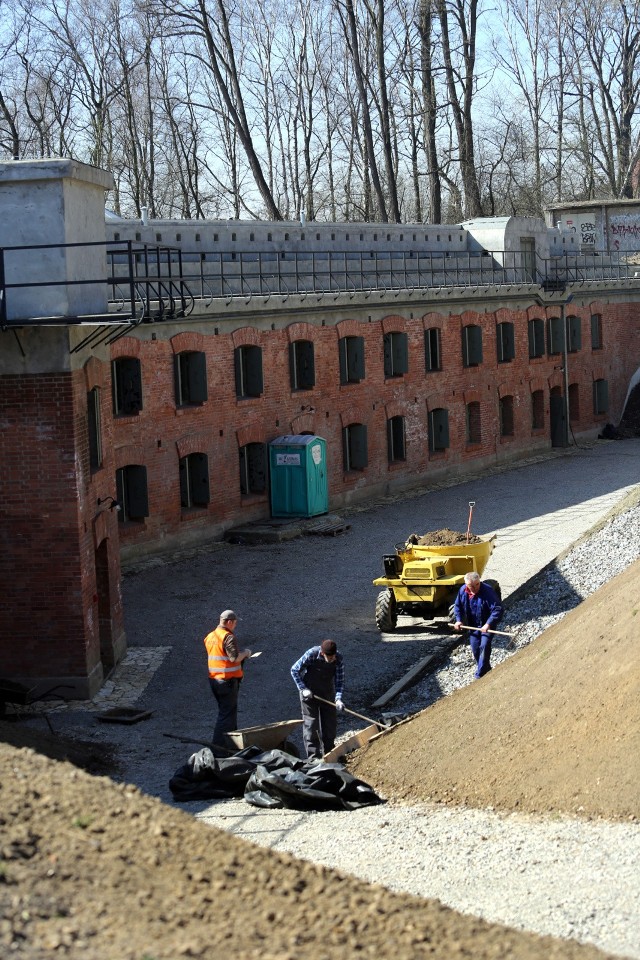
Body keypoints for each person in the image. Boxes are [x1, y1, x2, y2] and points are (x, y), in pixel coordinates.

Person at [203, 610, 252, 746]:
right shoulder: (227, 637)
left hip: (214, 680)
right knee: (226, 716)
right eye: (235, 623)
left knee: (226, 713)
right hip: (227, 681)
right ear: (229, 622)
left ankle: (232, 745)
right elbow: (234, 658)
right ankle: (219, 748)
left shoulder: (210, 636)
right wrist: (246, 653)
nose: (235, 625)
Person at [290, 639, 345, 760]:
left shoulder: (339, 659)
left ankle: (330, 755)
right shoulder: (312, 654)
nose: (332, 660)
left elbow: (339, 681)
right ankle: (314, 759)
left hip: (327, 694)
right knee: (311, 727)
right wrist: (303, 688)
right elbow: (294, 670)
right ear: (322, 653)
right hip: (309, 695)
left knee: (330, 726)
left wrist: (338, 699)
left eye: (333, 657)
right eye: (329, 657)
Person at [453, 571, 504, 679]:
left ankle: (479, 675)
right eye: (471, 586)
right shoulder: (462, 591)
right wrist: (458, 620)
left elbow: (497, 609)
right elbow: (458, 607)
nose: (475, 588)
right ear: (466, 585)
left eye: (477, 584)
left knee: (484, 646)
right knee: (476, 649)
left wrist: (488, 624)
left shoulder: (487, 591)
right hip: (473, 626)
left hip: (487, 625)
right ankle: (487, 671)